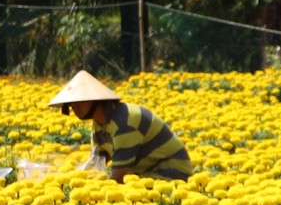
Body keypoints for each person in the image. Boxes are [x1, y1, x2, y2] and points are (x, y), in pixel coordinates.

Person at [49, 72, 193, 182]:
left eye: (79, 101)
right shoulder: (99, 125)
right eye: (71, 103)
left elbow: (118, 178)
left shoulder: (125, 122)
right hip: (145, 175)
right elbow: (96, 166)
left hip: (172, 173)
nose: (74, 107)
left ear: (96, 100)